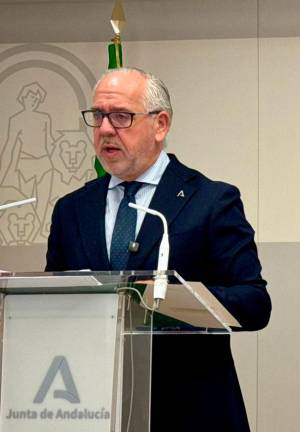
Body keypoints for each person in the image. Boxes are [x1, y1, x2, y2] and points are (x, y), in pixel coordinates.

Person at [45, 67, 271, 431]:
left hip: (191, 412)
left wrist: (171, 302)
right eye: (98, 116)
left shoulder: (211, 201)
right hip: (92, 409)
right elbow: (54, 308)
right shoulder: (72, 209)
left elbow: (255, 304)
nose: (104, 129)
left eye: (120, 116)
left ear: (160, 124)